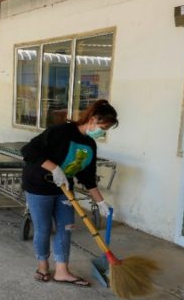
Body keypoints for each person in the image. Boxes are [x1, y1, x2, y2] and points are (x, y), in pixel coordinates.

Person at [21, 99, 117, 286]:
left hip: (64, 188)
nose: (102, 132)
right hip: (39, 186)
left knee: (67, 228)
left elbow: (88, 176)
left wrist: (100, 202)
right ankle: (42, 266)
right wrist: (54, 168)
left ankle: (62, 271)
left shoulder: (90, 144)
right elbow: (28, 150)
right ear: (93, 119)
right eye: (103, 127)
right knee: (44, 228)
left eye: (106, 130)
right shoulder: (60, 132)